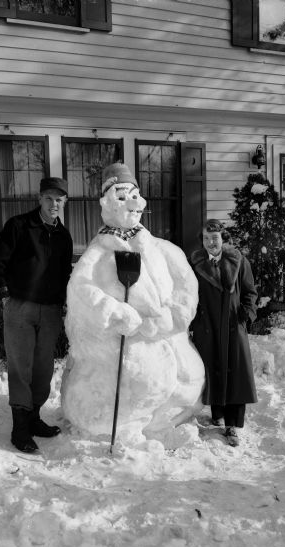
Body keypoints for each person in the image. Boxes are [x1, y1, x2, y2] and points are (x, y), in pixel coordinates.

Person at [61, 163, 204, 447]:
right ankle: (127, 429)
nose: (134, 203)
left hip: (168, 341)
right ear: (108, 203)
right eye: (123, 196)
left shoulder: (162, 248)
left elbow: (186, 287)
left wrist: (173, 318)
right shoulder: (99, 251)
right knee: (134, 384)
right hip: (122, 347)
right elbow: (80, 288)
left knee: (186, 383)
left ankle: (164, 423)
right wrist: (116, 313)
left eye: (135, 195)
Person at [0, 177, 73, 453]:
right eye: (49, 198)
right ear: (39, 199)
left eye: (59, 199)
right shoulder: (19, 226)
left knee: (43, 369)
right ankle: (20, 429)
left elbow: (65, 274)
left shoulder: (64, 236)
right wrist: (3, 294)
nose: (54, 204)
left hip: (49, 311)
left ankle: (34, 418)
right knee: (20, 367)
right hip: (20, 307)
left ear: (65, 202)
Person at [190, 219, 257, 447]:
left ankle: (232, 426)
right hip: (207, 327)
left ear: (222, 238)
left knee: (235, 374)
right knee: (214, 370)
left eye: (215, 238)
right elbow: (188, 294)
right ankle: (217, 413)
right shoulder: (196, 264)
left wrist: (246, 314)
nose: (211, 243)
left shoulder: (239, 261)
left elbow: (250, 291)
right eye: (207, 238)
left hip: (232, 325)